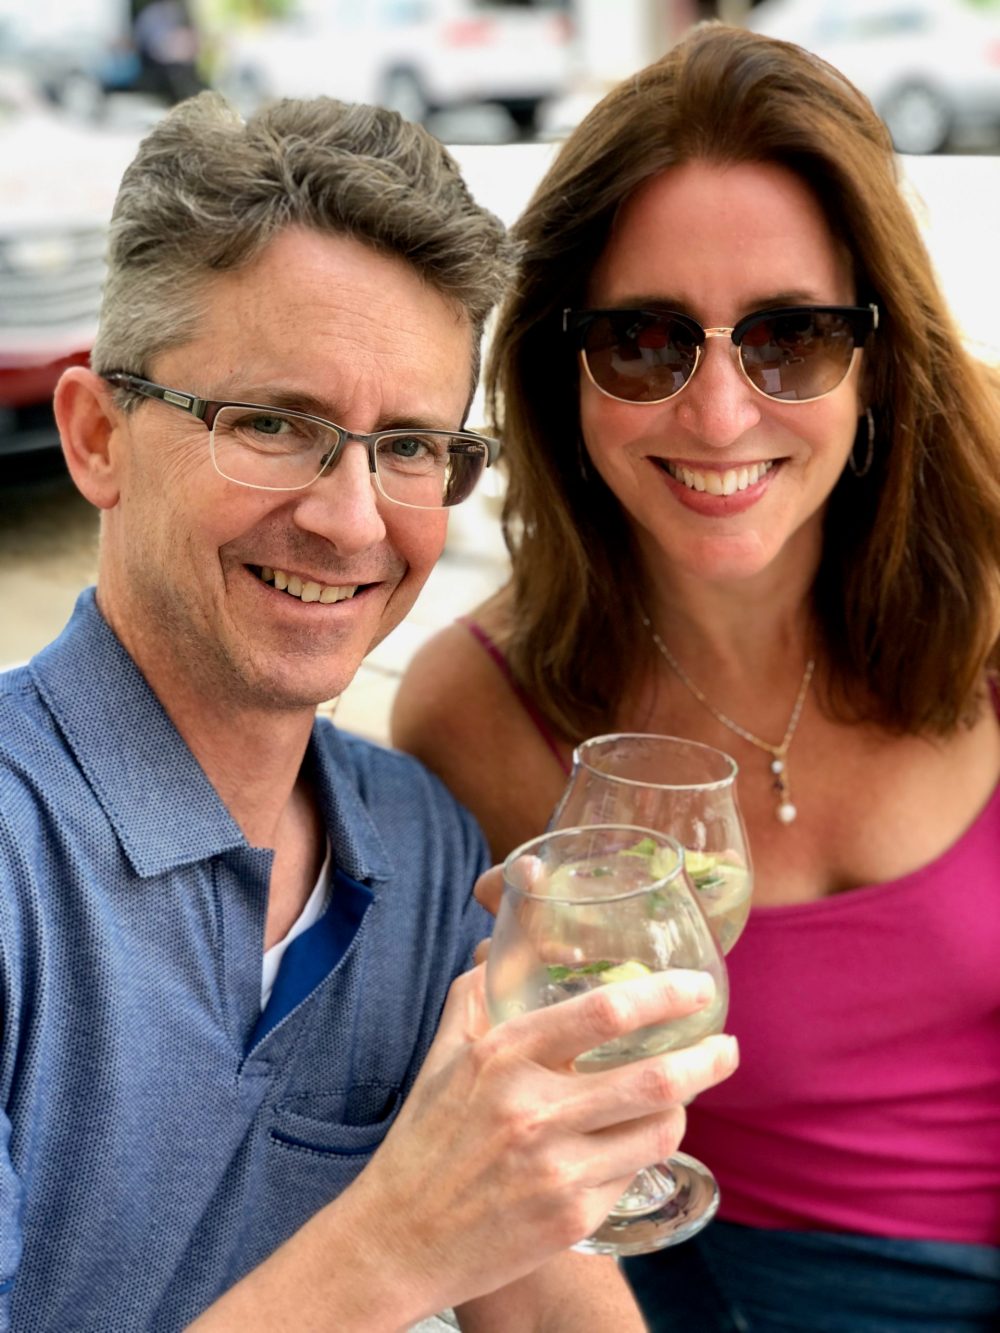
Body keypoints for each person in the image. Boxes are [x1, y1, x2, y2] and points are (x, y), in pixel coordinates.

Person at [0, 92, 740, 1331]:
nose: (350, 521)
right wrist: (403, 1236)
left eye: (407, 445)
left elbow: (538, 1285)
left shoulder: (421, 844)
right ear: (97, 437)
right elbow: (433, 1231)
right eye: (272, 424)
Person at [392, 21, 1000, 1333]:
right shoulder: (477, 711)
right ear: (562, 370)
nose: (720, 414)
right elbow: (506, 1206)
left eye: (792, 336)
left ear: (878, 360)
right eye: (643, 340)